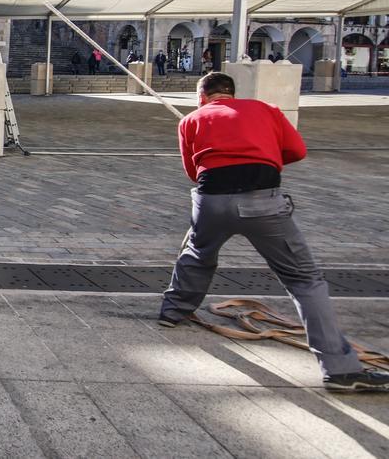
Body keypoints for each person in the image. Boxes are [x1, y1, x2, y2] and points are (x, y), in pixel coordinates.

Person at [159, 72, 388, 392]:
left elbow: (191, 171)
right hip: (262, 201)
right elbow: (297, 151)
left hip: (211, 202)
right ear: (233, 93)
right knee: (304, 280)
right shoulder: (267, 110)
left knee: (198, 253)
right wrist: (262, 153)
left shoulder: (191, 120)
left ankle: (172, 312)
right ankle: (340, 370)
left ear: (202, 97)